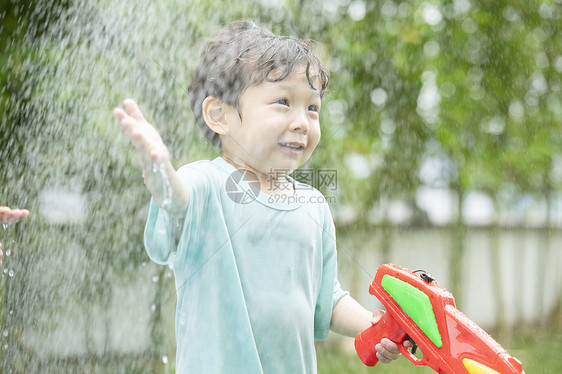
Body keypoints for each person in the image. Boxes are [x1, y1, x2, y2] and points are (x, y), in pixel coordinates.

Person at [114, 20, 404, 373]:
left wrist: (372, 325)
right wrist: (160, 170)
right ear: (219, 115)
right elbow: (176, 198)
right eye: (283, 101)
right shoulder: (205, 184)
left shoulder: (313, 207)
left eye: (312, 108)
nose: (302, 122)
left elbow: (324, 298)